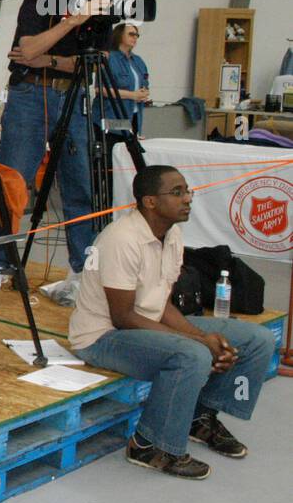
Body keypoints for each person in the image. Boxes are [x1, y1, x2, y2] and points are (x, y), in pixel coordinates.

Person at [69, 165, 269, 479]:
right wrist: (201, 342)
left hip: (143, 324)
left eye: (187, 191)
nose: (187, 198)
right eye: (177, 192)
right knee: (192, 355)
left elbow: (160, 304)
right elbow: (123, 317)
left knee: (258, 340)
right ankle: (149, 445)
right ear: (149, 202)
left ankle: (198, 417)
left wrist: (203, 335)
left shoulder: (171, 233)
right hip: (103, 337)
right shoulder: (120, 239)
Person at [0, 0, 107, 300]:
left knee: (80, 184)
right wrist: (72, 23)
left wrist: (48, 59)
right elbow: (25, 50)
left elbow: (97, 61)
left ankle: (82, 267)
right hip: (30, 96)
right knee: (13, 179)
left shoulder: (106, 4)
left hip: (74, 95)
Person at [106, 22, 150, 135]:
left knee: (130, 148)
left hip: (135, 115)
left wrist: (144, 93)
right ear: (119, 35)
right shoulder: (109, 58)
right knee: (116, 145)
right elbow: (100, 90)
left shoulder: (138, 60)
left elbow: (144, 83)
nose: (135, 37)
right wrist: (132, 95)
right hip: (113, 115)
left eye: (137, 35)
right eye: (131, 34)